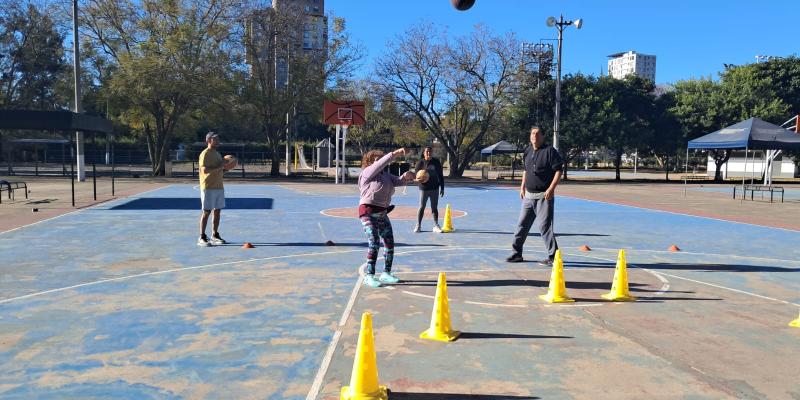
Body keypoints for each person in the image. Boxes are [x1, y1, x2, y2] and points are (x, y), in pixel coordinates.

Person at [358, 148, 416, 287]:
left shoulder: (386, 175)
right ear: (371, 161)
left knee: (389, 242)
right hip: (368, 212)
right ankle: (369, 276)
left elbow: (399, 181)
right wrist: (395, 154)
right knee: (374, 240)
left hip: (382, 213)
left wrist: (408, 176)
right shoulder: (367, 173)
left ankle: (386, 273)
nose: (381, 160)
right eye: (378, 158)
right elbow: (380, 164)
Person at [507, 126, 563, 266]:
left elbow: (558, 171)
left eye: (537, 134)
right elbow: (526, 170)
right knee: (522, 225)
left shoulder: (550, 151)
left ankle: (553, 256)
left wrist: (551, 188)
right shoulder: (528, 150)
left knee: (545, 227)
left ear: (543, 136)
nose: (534, 136)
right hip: (528, 196)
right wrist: (522, 187)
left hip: (544, 196)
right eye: (532, 133)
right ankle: (516, 253)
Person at [197, 132, 231, 246]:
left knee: (217, 211)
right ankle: (202, 237)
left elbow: (219, 169)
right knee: (206, 212)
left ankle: (214, 235)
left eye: (218, 139)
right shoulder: (205, 154)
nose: (218, 141)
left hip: (219, 186)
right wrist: (220, 166)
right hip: (208, 187)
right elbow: (204, 170)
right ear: (209, 140)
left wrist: (227, 167)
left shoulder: (217, 154)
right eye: (216, 139)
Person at [413, 146, 445, 233]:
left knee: (434, 208)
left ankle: (436, 225)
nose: (428, 153)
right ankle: (418, 225)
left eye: (430, 151)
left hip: (434, 188)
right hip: (424, 188)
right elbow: (416, 176)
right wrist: (419, 179)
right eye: (427, 152)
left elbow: (440, 175)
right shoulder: (420, 163)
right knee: (422, 207)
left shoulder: (436, 162)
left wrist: (442, 188)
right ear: (424, 153)